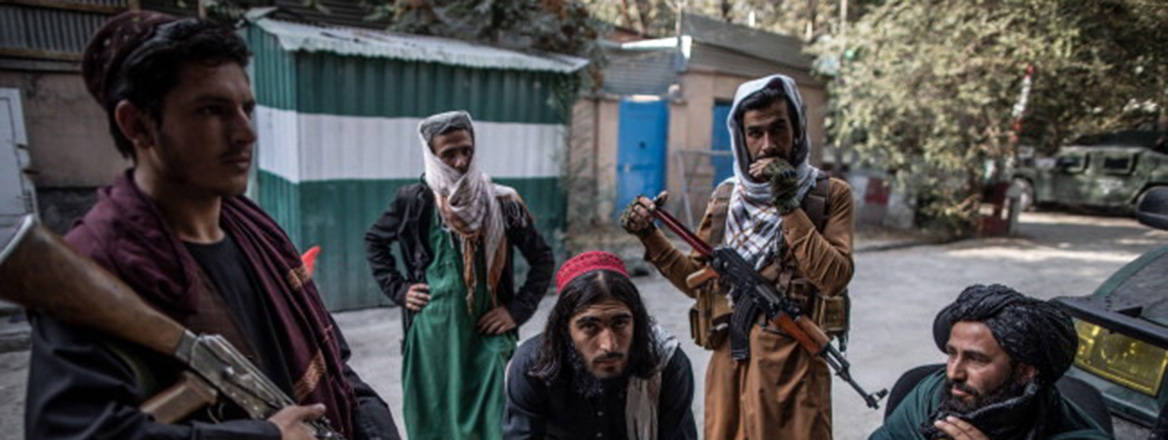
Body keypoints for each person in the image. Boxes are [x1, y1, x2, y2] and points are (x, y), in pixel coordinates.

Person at [24, 12, 400, 440]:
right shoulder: (93, 270)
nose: (245, 134)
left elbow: (338, 368)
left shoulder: (258, 232)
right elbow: (73, 431)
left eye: (246, 109)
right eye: (211, 110)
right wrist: (264, 436)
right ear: (137, 125)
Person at [619, 73, 854, 439]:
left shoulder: (827, 195)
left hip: (795, 370)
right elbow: (694, 279)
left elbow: (834, 276)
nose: (767, 145)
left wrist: (789, 204)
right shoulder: (727, 198)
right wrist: (650, 234)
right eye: (755, 133)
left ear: (798, 130)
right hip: (731, 364)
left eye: (779, 130)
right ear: (741, 139)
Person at [364, 110, 554, 440]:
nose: (461, 160)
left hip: (486, 337)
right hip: (432, 340)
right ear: (432, 155)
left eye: (466, 149)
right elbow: (374, 242)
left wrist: (516, 310)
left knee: (496, 425)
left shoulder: (502, 202)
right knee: (434, 423)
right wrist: (399, 290)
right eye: (449, 153)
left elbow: (543, 259)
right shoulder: (415, 200)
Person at [871, 284, 1111, 440]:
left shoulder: (1074, 434)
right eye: (952, 353)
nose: (954, 372)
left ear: (1025, 370)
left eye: (976, 359)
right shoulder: (929, 398)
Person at [503, 251, 697, 439]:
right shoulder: (531, 365)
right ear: (564, 329)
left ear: (637, 323)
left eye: (620, 323)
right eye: (589, 326)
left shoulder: (666, 364)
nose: (609, 345)